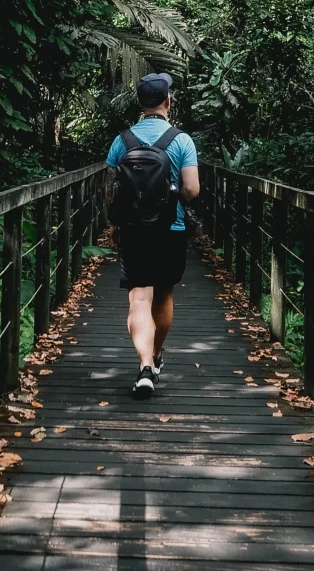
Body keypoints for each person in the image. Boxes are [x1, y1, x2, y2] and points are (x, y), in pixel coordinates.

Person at [105, 72, 200, 399]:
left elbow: (110, 191)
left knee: (138, 298)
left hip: (133, 233)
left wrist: (114, 223)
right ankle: (156, 357)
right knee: (163, 296)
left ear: (140, 103)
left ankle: (144, 366)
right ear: (168, 101)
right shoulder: (182, 141)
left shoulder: (122, 141)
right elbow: (192, 190)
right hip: (170, 230)